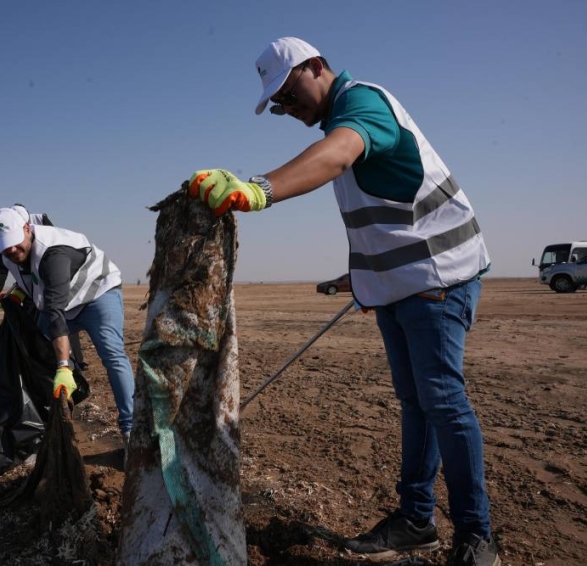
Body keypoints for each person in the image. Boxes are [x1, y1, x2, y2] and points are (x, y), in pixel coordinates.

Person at [186, 37, 498, 566]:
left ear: (316, 66)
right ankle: (417, 520)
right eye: (278, 105)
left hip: (440, 279)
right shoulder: (338, 122)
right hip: (401, 287)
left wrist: (259, 189)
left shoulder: (361, 104)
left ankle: (477, 535)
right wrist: (360, 278)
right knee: (417, 402)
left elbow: (335, 157)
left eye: (288, 93)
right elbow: (384, 218)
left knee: (443, 401)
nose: (287, 109)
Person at [0, 207, 135, 453]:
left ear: (26, 229)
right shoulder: (9, 256)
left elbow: (55, 313)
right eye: (4, 246)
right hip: (63, 302)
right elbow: (34, 282)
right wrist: (19, 294)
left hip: (97, 294)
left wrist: (63, 366)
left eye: (14, 242)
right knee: (38, 350)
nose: (11, 250)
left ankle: (131, 432)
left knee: (112, 355)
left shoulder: (53, 252)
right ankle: (51, 424)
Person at [0, 204, 88, 369]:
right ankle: (43, 365)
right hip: (29, 287)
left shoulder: (40, 221)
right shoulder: (4, 234)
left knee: (61, 319)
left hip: (51, 283)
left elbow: (55, 253)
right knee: (37, 326)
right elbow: (1, 268)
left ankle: (74, 363)